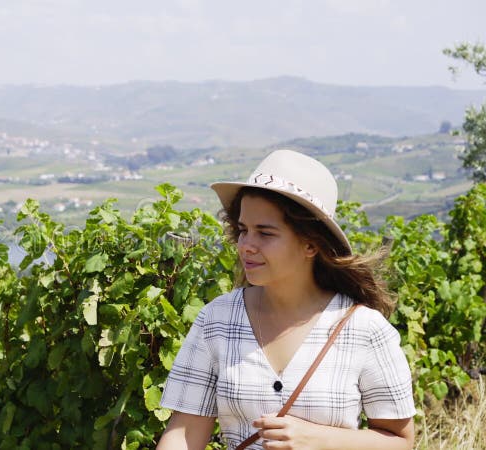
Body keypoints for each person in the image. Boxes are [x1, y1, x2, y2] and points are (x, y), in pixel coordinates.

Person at [157, 150, 415, 450]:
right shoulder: (217, 320)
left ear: (310, 244)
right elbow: (185, 435)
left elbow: (400, 442)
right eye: (243, 230)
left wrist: (319, 439)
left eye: (265, 233)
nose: (246, 246)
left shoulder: (365, 329)